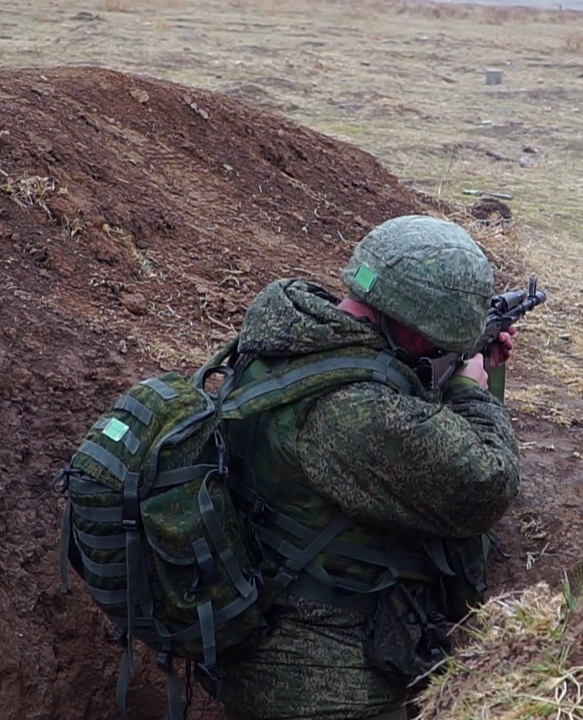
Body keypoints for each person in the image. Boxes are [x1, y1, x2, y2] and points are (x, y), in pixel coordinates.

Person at [211, 214, 523, 720]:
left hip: (256, 649)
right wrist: (471, 387)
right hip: (331, 688)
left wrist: (476, 367)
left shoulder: (292, 343)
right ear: (420, 329)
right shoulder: (358, 409)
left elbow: (405, 426)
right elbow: (483, 487)